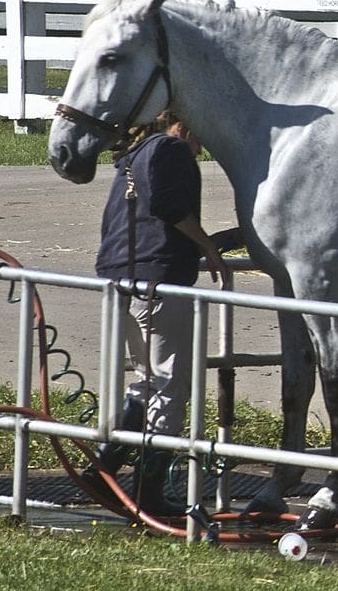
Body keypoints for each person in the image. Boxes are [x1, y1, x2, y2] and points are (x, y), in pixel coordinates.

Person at [81, 110, 234, 516]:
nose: (201, 147)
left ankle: (105, 468)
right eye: (199, 137)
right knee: (168, 384)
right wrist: (207, 245)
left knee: (146, 381)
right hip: (158, 279)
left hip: (120, 277)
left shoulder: (134, 153)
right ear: (183, 124)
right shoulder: (170, 148)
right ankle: (147, 491)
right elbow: (169, 206)